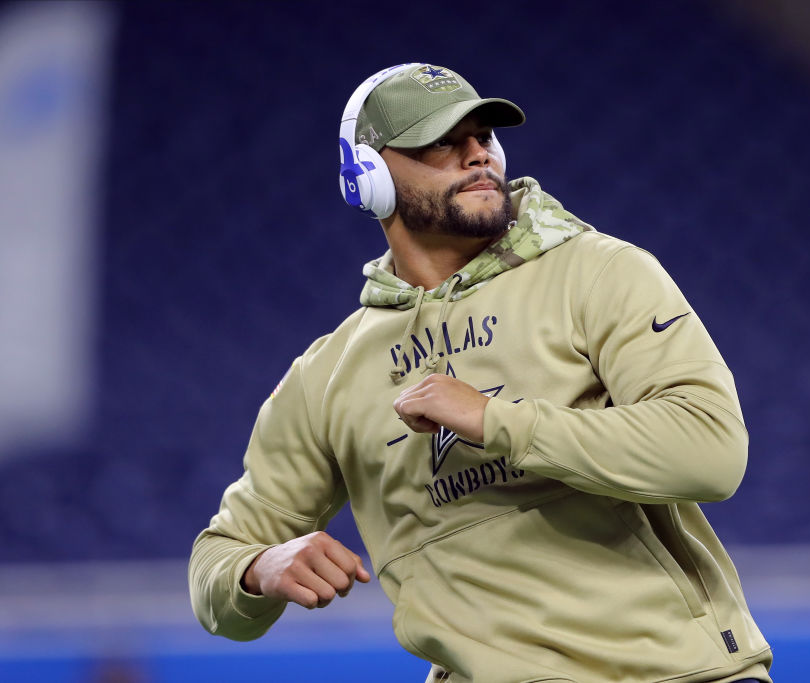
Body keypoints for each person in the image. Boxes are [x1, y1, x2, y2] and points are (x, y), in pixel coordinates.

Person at [188, 62, 773, 683]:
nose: (477, 155)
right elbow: (217, 571)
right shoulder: (325, 375)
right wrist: (259, 570)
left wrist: (497, 421)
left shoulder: (597, 271)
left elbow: (711, 452)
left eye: (484, 136)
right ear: (367, 177)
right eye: (440, 141)